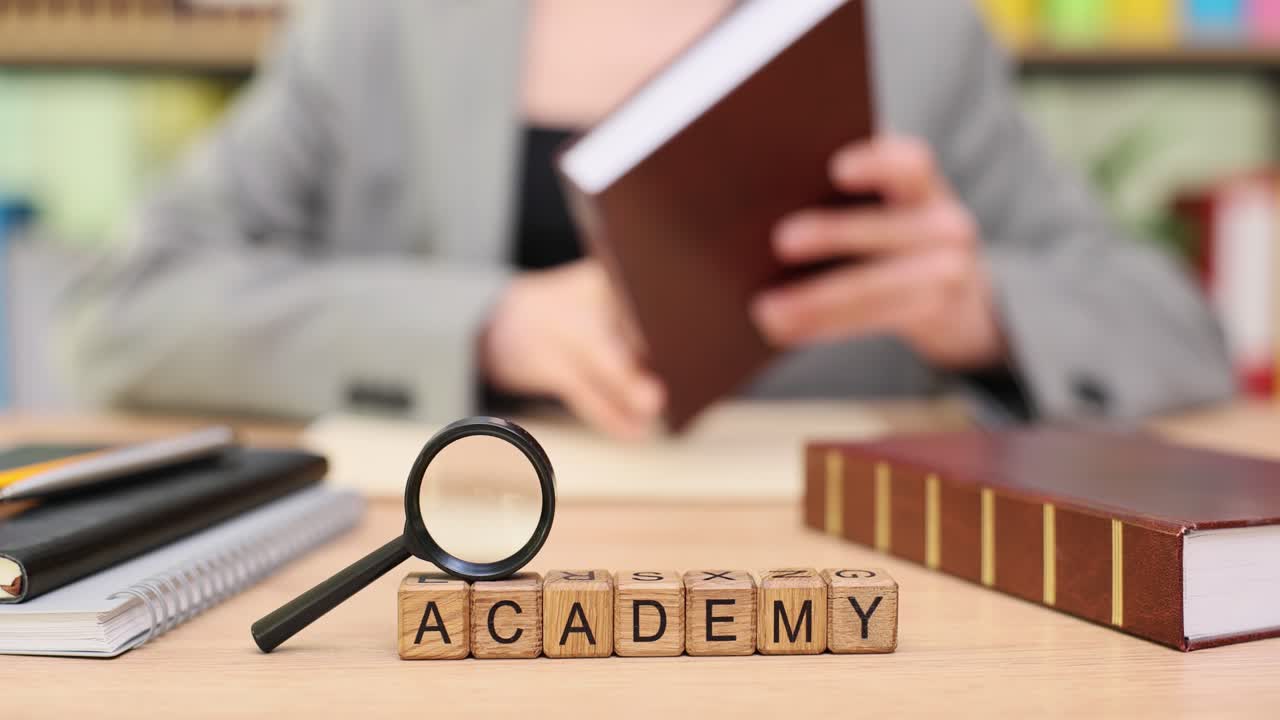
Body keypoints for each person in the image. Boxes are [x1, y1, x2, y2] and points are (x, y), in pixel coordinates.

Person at [60, 0, 1234, 439]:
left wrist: (977, 309)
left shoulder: (913, 31)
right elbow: (125, 307)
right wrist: (489, 325)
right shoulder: (381, 28)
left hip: (838, 589)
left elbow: (1170, 327)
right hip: (440, 576)